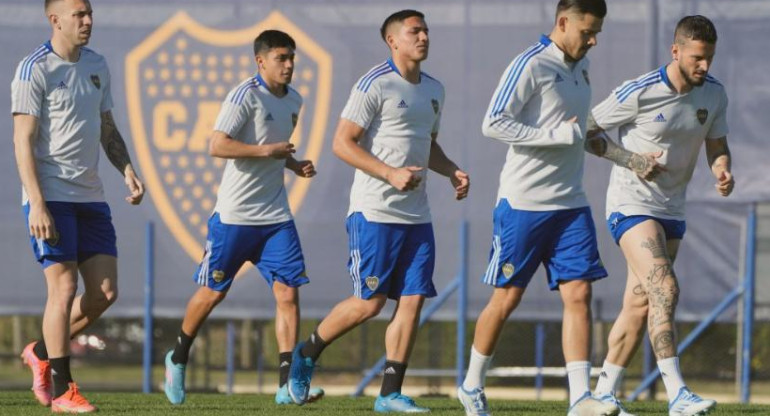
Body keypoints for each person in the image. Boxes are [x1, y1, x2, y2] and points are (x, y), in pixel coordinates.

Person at [287, 9, 469, 413]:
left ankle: (389, 394)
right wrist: (389, 173)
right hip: (374, 212)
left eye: (426, 30)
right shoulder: (374, 84)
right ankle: (306, 353)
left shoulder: (434, 89)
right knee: (370, 303)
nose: (423, 36)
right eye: (414, 31)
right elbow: (342, 142)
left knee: (413, 299)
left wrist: (451, 170)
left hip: (417, 216)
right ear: (393, 41)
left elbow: (427, 145)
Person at [457, 1, 620, 416]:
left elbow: (579, 134)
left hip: (571, 204)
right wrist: (556, 134)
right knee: (507, 298)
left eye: (597, 31)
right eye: (587, 31)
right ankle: (472, 385)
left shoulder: (581, 67)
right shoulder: (530, 63)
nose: (593, 40)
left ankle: (581, 398)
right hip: (523, 205)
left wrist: (633, 160)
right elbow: (493, 122)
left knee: (579, 294)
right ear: (562, 22)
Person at [161, 29, 325, 406]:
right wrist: (267, 150)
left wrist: (294, 164)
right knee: (213, 293)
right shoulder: (244, 95)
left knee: (288, 293)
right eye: (281, 58)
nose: (288, 65)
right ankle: (179, 357)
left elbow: (274, 152)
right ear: (261, 60)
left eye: (291, 58)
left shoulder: (295, 100)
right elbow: (217, 144)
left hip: (276, 217)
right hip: (235, 217)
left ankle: (286, 386)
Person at [585, 15, 732, 416]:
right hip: (631, 204)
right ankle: (678, 394)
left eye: (710, 58)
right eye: (698, 58)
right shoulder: (641, 90)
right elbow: (584, 130)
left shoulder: (714, 94)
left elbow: (716, 146)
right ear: (676, 51)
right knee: (664, 287)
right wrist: (629, 158)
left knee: (641, 304)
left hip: (672, 208)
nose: (705, 66)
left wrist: (722, 169)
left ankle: (600, 398)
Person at [12, 0, 145, 413]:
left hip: (91, 196)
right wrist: (36, 203)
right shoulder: (34, 68)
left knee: (104, 293)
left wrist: (126, 168)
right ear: (54, 20)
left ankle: (39, 351)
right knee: (64, 289)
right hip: (49, 196)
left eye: (89, 13)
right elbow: (22, 140)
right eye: (78, 15)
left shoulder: (97, 64)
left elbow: (107, 126)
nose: (88, 20)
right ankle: (64, 389)